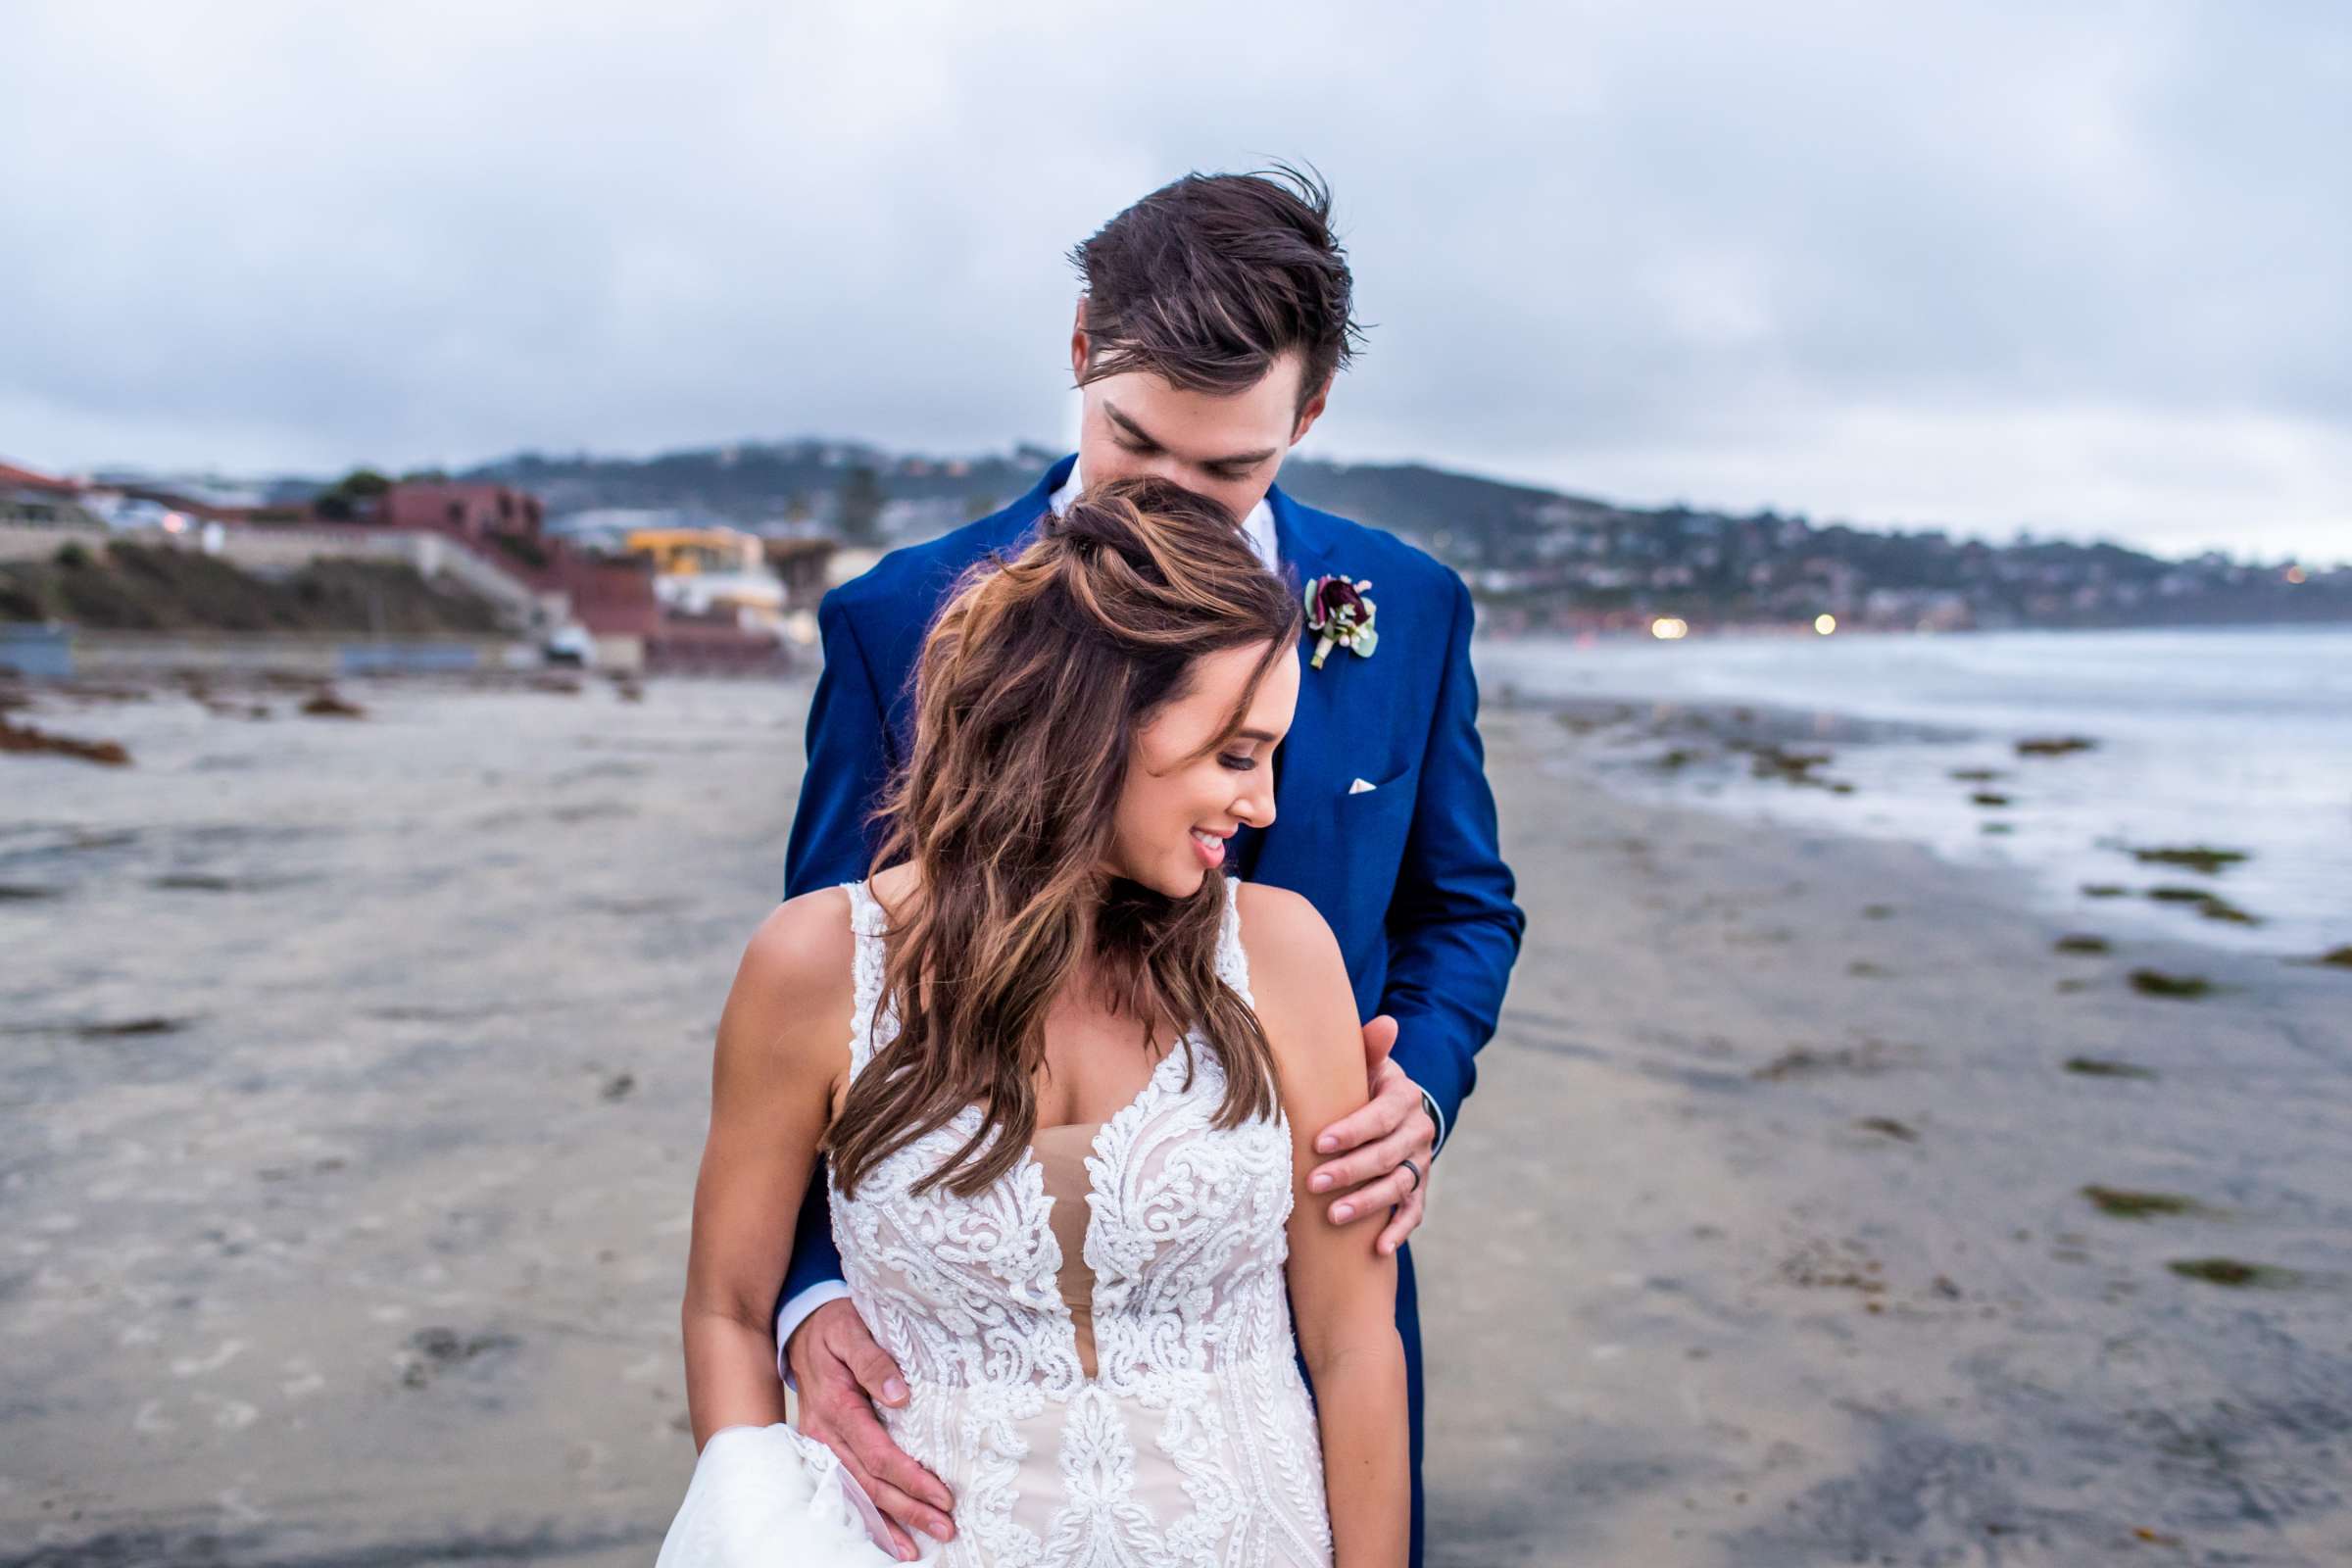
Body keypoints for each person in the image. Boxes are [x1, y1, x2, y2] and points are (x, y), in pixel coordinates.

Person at [776, 168, 1525, 1567]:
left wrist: (1415, 1084)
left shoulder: (1404, 607)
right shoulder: (898, 621)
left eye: (1231, 468)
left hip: (1310, 1310)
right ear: (1079, 353)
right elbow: (828, 996)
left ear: (1307, 419)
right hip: (978, 1356)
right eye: (1136, 447)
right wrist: (809, 1300)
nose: (1174, 501)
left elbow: (1462, 907)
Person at [678, 481, 1408, 1565]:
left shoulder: (1284, 952)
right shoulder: (814, 965)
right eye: (1235, 753)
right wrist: (758, 1536)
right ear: (1094, 723)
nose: (1260, 807)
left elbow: (1352, 1344)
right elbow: (731, 1310)